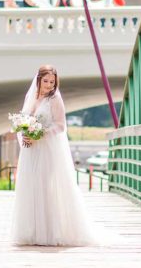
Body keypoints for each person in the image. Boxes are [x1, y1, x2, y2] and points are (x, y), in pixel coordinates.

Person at [10, 65, 100, 247]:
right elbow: (22, 122)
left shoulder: (55, 99)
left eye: (52, 82)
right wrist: (25, 135)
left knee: (45, 188)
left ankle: (49, 233)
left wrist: (39, 134)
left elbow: (60, 126)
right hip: (29, 151)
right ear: (38, 80)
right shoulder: (30, 98)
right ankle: (30, 233)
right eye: (46, 81)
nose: (49, 85)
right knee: (29, 187)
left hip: (46, 151)